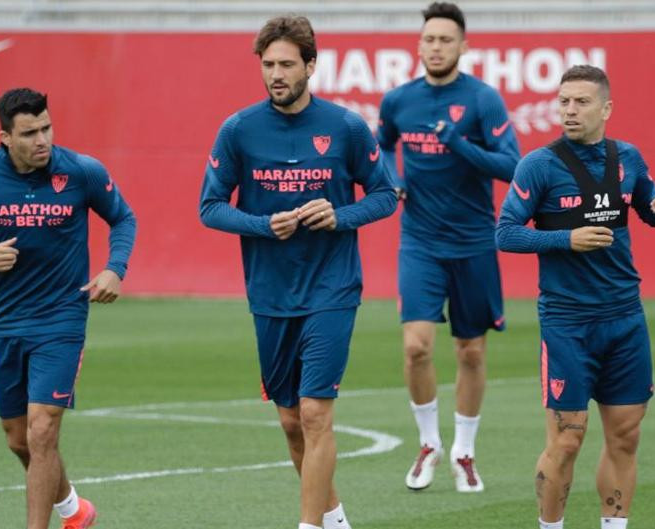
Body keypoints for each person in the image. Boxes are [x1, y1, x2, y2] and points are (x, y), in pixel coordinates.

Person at [199, 15, 397, 529]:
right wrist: (264, 224)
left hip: (332, 286)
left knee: (315, 414)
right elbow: (211, 207)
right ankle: (334, 519)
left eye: (287, 64)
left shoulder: (346, 127)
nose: (276, 75)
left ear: (311, 65)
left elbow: (384, 195)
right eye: (268, 65)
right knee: (291, 423)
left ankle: (307, 525)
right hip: (269, 291)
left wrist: (339, 216)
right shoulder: (238, 130)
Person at [0, 88, 136, 529]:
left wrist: (114, 269)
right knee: (18, 440)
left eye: (47, 127)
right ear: (5, 137)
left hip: (62, 319)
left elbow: (123, 217)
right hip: (6, 320)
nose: (42, 139)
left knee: (42, 430)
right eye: (29, 133)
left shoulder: (83, 172)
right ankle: (74, 509)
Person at [496, 65, 655, 529]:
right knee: (567, 441)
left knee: (626, 436)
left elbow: (648, 209)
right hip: (567, 322)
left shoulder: (629, 158)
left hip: (624, 318)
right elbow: (505, 232)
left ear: (606, 108)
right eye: (563, 102)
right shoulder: (539, 164)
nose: (569, 111)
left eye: (580, 102)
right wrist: (565, 240)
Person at [376, 1, 520, 491]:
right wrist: (392, 180)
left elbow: (511, 166)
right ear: (419, 46)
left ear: (463, 46)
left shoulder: (483, 100)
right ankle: (428, 443)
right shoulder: (398, 100)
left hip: (475, 241)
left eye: (445, 39)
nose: (435, 47)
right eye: (428, 39)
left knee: (471, 352)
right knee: (416, 347)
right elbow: (382, 145)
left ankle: (464, 450)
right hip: (420, 242)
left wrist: (458, 142)